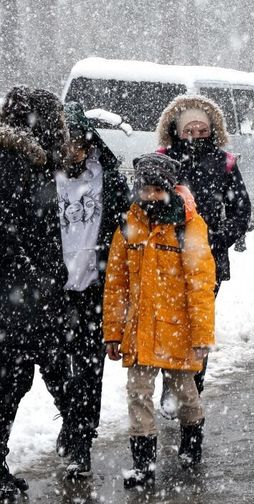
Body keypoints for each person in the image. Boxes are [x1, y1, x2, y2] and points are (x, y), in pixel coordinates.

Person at [103, 153, 216, 489]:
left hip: (177, 330)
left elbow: (200, 285)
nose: (150, 196)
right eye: (145, 188)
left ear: (168, 188)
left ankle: (192, 440)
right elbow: (116, 283)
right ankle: (142, 464)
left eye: (157, 189)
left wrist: (201, 337)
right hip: (139, 332)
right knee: (138, 394)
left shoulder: (189, 225)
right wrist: (113, 331)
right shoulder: (129, 224)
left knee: (185, 393)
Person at [155, 95, 250, 412]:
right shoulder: (162, 160)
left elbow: (240, 210)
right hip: (167, 256)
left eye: (202, 127)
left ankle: (194, 383)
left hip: (208, 260)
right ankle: (170, 384)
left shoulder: (225, 162)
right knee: (170, 321)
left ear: (212, 128)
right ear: (177, 129)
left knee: (198, 323)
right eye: (188, 128)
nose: (195, 133)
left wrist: (217, 238)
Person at [51, 102, 130, 479]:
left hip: (93, 291)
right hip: (52, 291)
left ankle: (81, 443)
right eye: (66, 146)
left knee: (88, 369)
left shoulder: (109, 178)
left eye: (80, 146)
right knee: (52, 367)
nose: (74, 153)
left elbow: (125, 228)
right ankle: (70, 416)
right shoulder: (42, 178)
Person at [0, 86, 69, 500]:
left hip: (24, 294)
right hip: (16, 296)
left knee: (15, 379)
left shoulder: (30, 161)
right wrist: (34, 279)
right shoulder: (13, 161)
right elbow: (8, 229)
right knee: (9, 381)